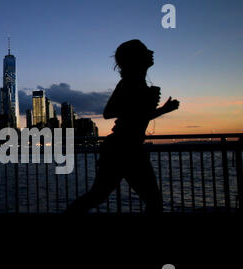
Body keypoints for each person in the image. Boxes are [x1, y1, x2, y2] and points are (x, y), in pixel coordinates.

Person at [65, 39, 179, 214]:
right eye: (145, 50)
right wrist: (147, 103)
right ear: (137, 58)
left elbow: (138, 117)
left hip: (127, 148)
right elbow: (109, 112)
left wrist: (162, 109)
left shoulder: (138, 83)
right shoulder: (129, 83)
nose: (151, 52)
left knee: (100, 196)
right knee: (151, 201)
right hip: (122, 148)